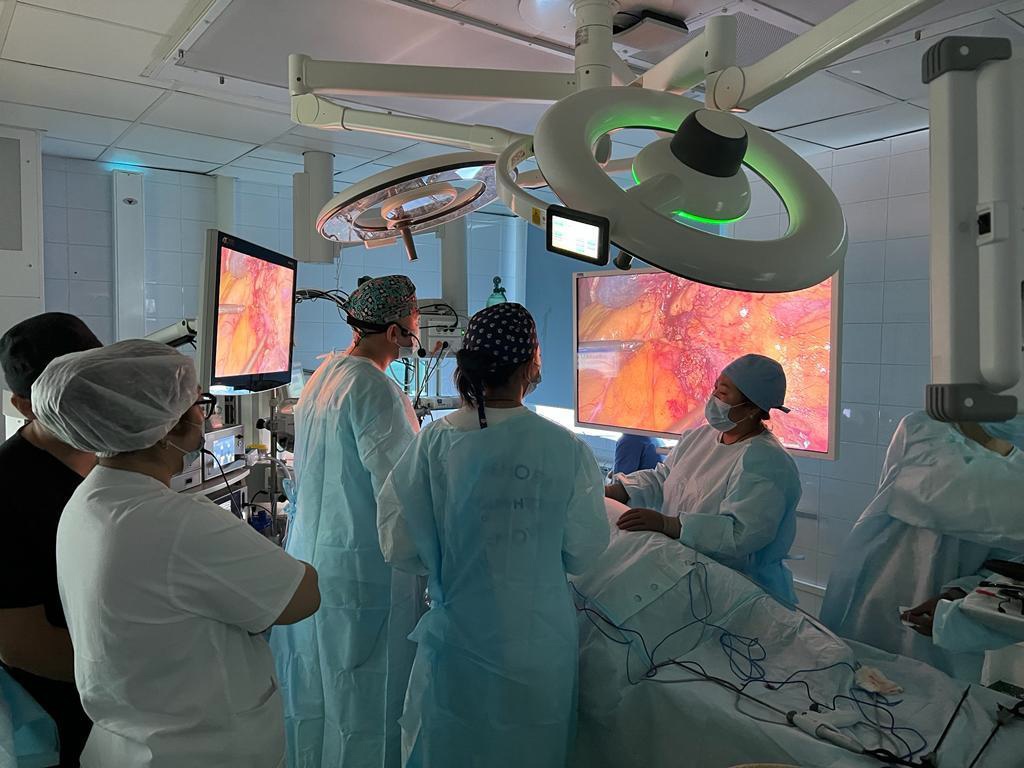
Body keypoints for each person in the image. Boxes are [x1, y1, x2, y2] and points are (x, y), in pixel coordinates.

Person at [31, 340, 321, 768]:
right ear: (168, 426)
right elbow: (301, 598)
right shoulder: (176, 522)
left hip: (124, 744)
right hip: (198, 750)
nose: (204, 416)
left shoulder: (87, 501)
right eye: (199, 404)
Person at [377, 302, 609, 768]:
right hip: (538, 642)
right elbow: (584, 551)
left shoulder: (436, 442)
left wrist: (451, 558)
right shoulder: (564, 448)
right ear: (529, 366)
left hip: (460, 642)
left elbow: (399, 543)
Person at [272, 274, 422, 768]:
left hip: (315, 559)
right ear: (396, 332)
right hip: (364, 572)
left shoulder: (326, 375)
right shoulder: (375, 389)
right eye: (415, 320)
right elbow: (401, 491)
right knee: (364, 702)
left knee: (317, 694)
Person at [821, 412, 1024, 681]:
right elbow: (949, 492)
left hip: (945, 621)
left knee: (931, 693)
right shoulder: (921, 431)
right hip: (878, 590)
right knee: (856, 677)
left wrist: (960, 596)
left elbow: (1009, 565)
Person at [606, 354, 801, 605]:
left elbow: (741, 534)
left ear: (752, 408)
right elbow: (664, 477)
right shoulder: (702, 437)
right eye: (715, 388)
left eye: (723, 393)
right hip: (684, 570)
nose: (713, 398)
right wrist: (618, 491)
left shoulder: (766, 461)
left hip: (737, 588)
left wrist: (669, 524)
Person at [0, 312, 101, 766]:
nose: (90, 404)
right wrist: (128, 675)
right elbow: (20, 642)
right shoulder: (10, 487)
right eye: (68, 395)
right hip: (62, 713)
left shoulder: (112, 453)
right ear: (23, 405)